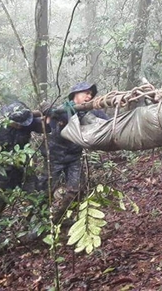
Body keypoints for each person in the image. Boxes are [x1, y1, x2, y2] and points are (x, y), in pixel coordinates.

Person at [41, 82, 108, 223]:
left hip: (74, 157)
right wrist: (48, 111)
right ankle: (38, 222)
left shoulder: (91, 111)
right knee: (45, 191)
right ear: (75, 95)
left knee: (76, 189)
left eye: (91, 94)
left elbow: (108, 123)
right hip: (55, 157)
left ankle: (59, 218)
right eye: (86, 93)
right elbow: (48, 122)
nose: (89, 96)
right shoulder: (63, 109)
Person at [0, 101, 45, 216]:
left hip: (23, 168)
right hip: (3, 172)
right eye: (17, 123)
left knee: (34, 195)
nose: (20, 126)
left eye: (22, 123)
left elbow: (45, 126)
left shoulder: (27, 124)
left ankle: (35, 221)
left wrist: (49, 113)